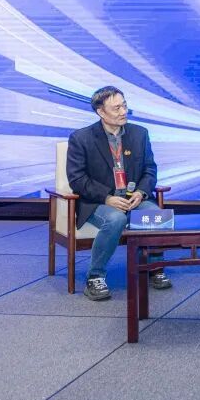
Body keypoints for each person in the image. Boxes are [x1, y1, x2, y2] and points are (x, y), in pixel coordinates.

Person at [67, 86, 171, 301]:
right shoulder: (81, 138)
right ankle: (95, 277)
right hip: (98, 201)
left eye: (124, 105)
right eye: (116, 108)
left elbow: (150, 169)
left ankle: (154, 267)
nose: (123, 111)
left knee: (155, 214)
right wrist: (107, 197)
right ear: (101, 112)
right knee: (116, 219)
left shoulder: (139, 134)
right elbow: (77, 179)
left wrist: (141, 192)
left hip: (133, 199)